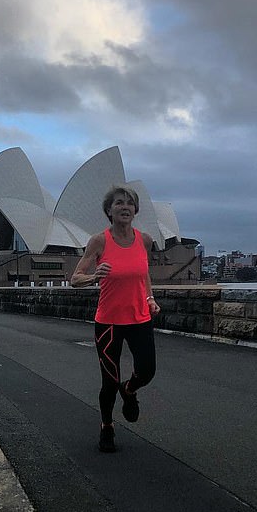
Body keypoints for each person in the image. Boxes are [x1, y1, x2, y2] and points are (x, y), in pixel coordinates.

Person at [71, 184, 160, 453]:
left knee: (147, 370)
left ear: (135, 210)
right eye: (119, 203)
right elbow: (75, 279)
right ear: (109, 211)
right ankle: (106, 426)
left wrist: (150, 298)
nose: (125, 207)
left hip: (140, 318)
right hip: (109, 322)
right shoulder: (99, 241)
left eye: (129, 203)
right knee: (109, 380)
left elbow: (143, 273)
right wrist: (93, 277)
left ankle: (130, 390)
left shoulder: (143, 239)